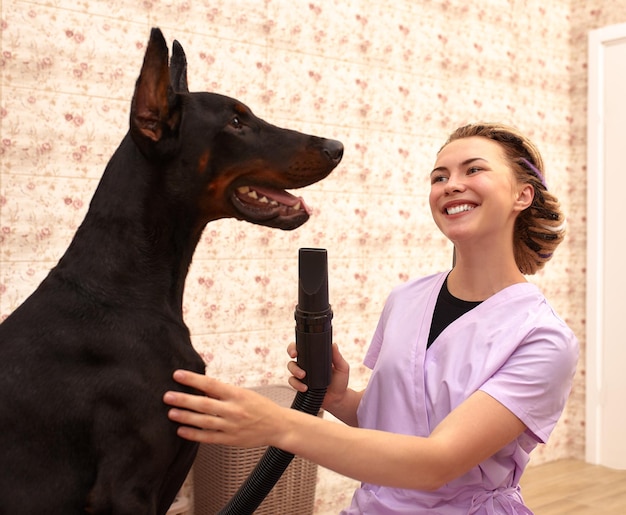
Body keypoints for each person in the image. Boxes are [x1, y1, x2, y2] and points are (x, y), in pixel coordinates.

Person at [163, 122, 579, 514]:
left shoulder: (542, 338)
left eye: (474, 170)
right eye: (439, 176)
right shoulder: (407, 299)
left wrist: (277, 425)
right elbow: (396, 426)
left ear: (522, 196)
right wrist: (341, 400)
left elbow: (436, 462)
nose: (451, 185)